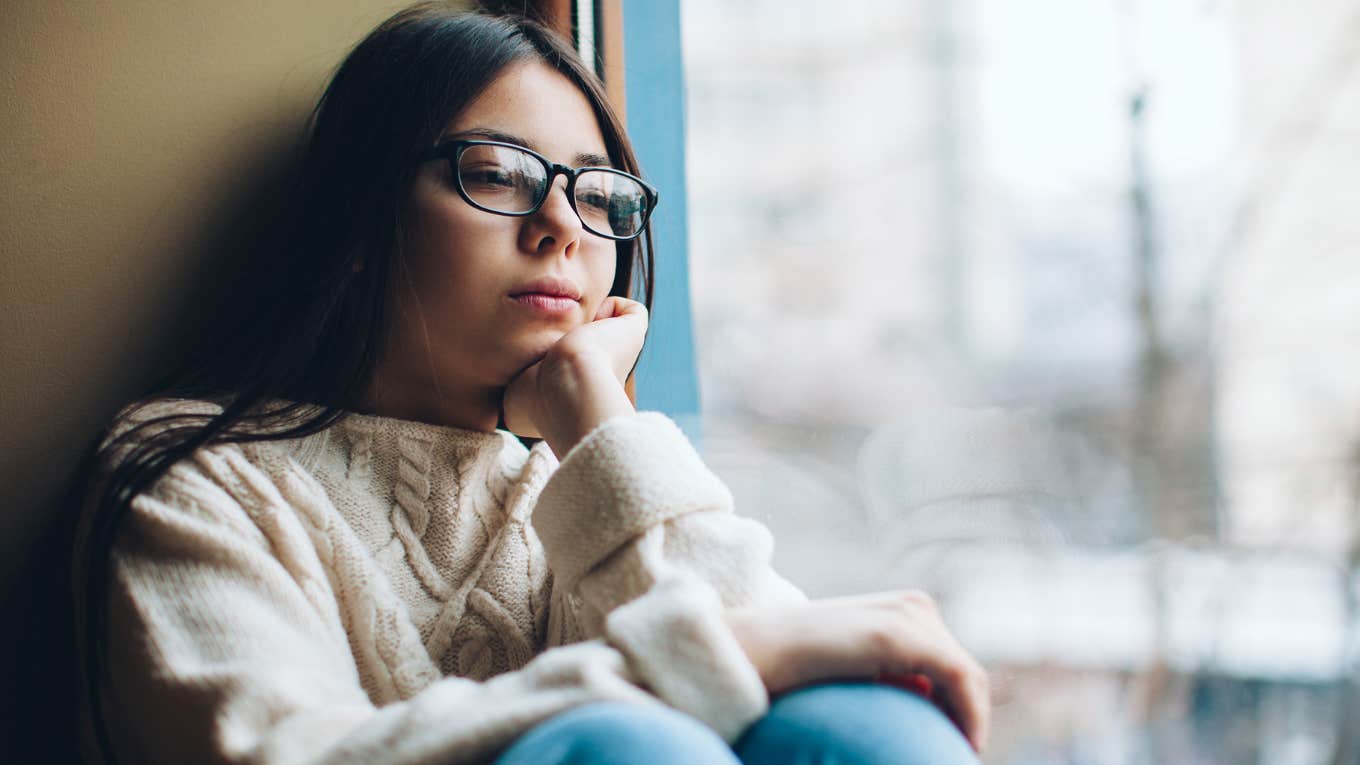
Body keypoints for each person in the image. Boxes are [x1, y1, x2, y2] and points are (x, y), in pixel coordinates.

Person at [72, 4, 991, 764]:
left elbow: (767, 678)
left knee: (870, 727)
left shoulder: (570, 485)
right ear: (360, 223)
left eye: (600, 196)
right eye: (499, 174)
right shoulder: (192, 473)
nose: (563, 225)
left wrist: (597, 421)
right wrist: (700, 661)